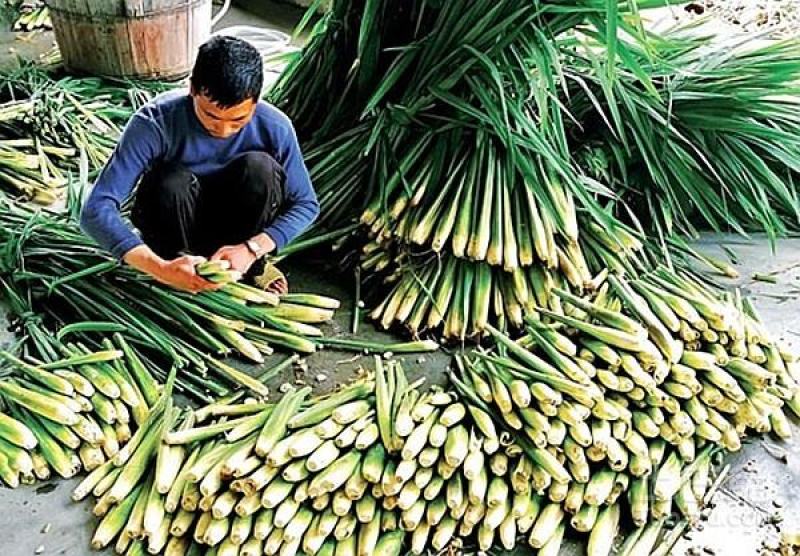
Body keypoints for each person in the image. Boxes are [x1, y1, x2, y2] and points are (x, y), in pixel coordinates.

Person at [80, 35, 319, 294]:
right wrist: (158, 266)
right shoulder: (154, 122)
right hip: (173, 227)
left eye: (238, 120)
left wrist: (253, 248)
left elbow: (306, 204)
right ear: (192, 88)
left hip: (238, 233)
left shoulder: (274, 126)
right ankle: (174, 270)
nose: (223, 129)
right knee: (171, 180)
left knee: (260, 168)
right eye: (210, 115)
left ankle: (250, 266)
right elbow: (96, 208)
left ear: (256, 100)